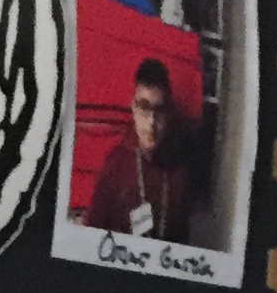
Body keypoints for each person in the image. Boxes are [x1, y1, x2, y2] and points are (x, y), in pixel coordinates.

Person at [82, 57, 199, 241]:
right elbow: (91, 232)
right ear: (134, 108)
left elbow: (183, 241)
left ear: (168, 113)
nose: (151, 123)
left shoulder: (179, 171)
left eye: (159, 111)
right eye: (145, 108)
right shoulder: (116, 164)